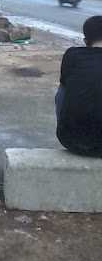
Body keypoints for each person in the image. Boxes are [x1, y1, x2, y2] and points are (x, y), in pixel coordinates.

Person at [56, 16, 102, 156]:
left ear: (85, 41)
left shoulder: (72, 54)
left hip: (70, 139)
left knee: (64, 89)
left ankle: (68, 123)